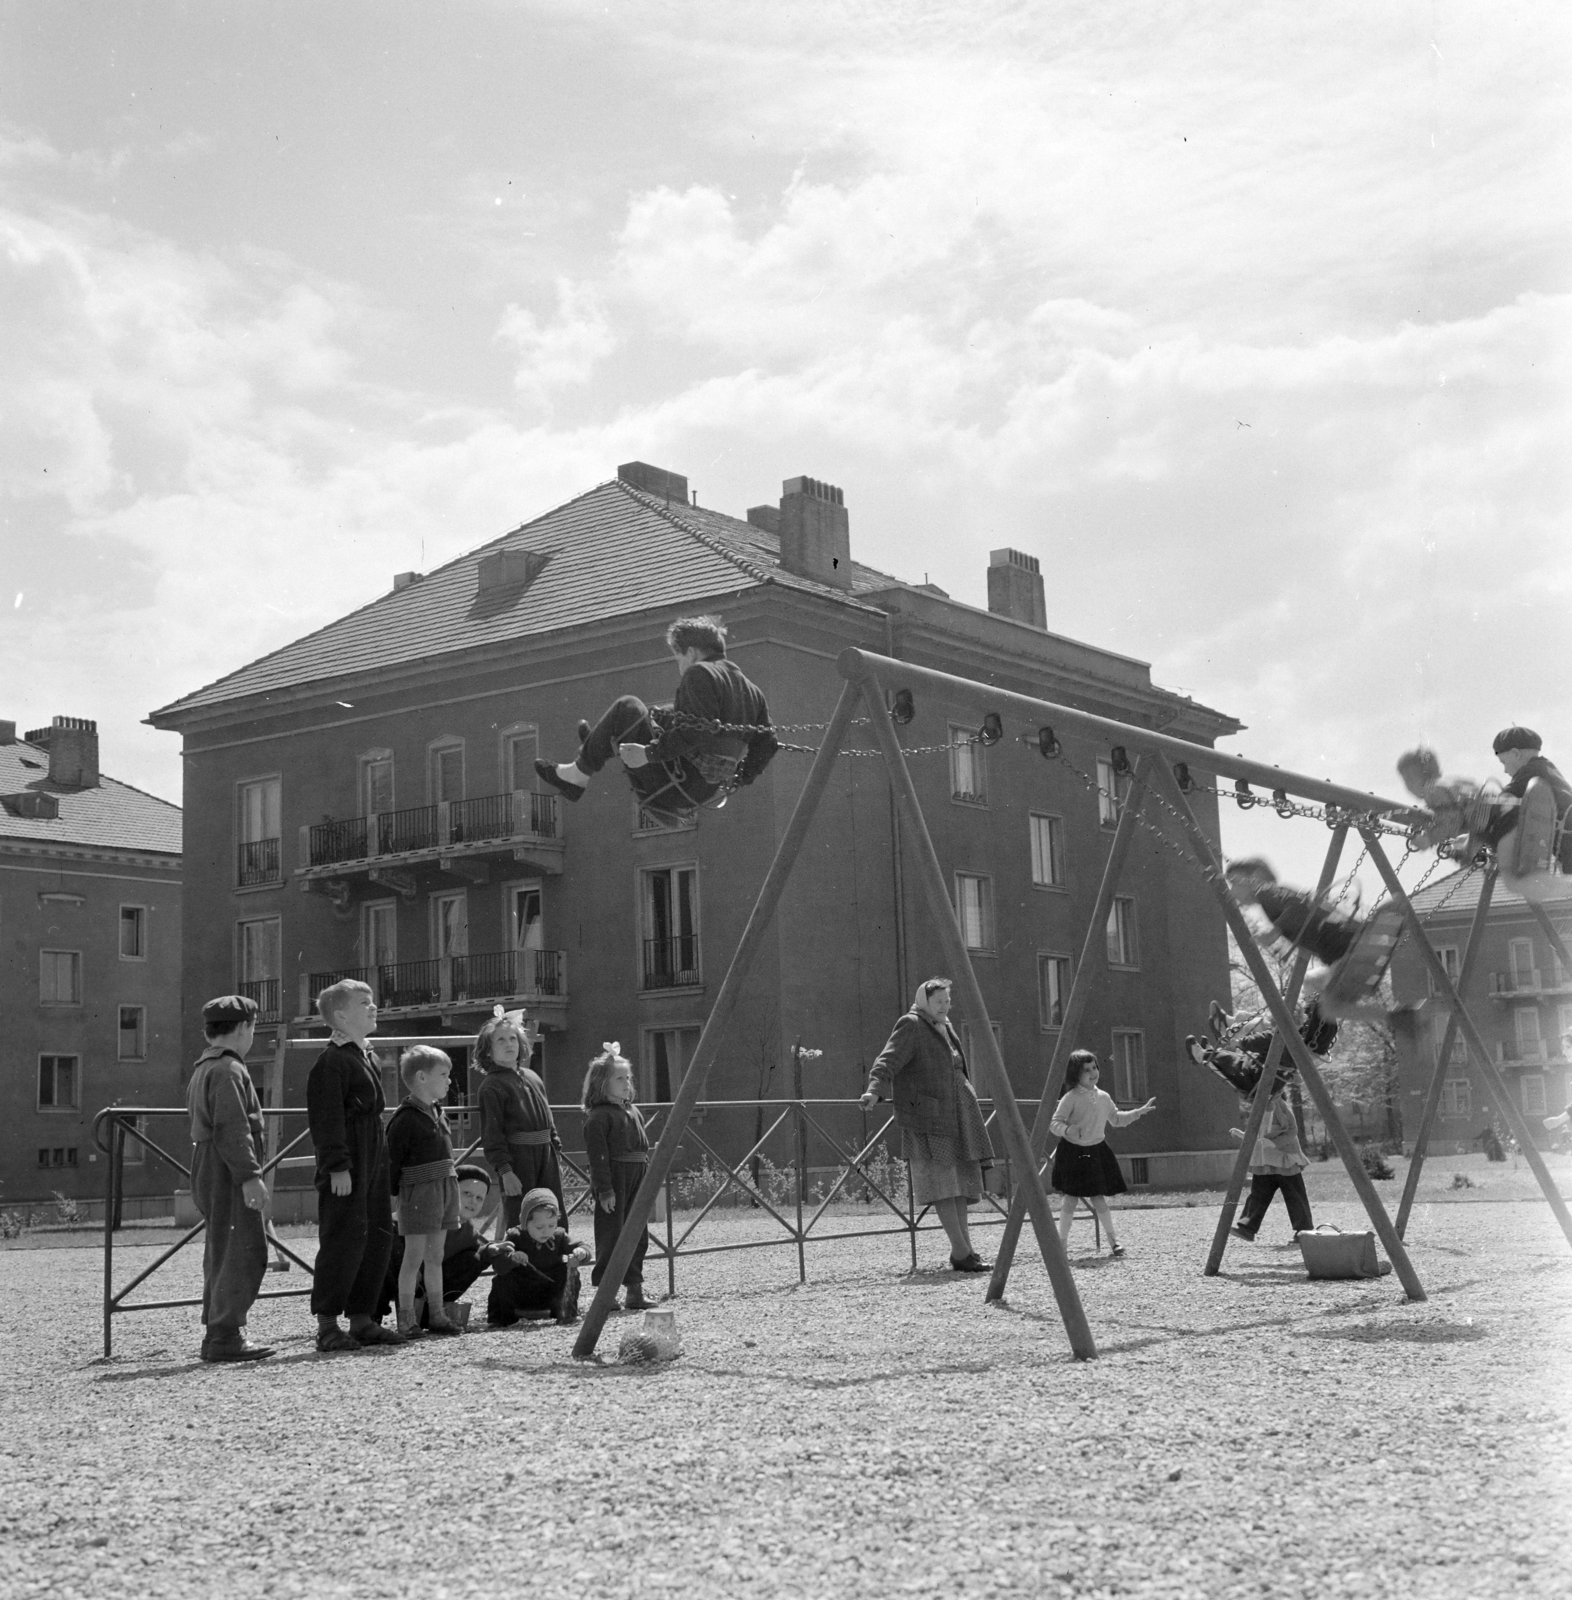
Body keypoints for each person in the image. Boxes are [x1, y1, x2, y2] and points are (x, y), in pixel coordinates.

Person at [535, 615, 778, 822]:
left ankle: (577, 774)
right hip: (704, 790)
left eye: (678, 657)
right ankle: (603, 743)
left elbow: (693, 733)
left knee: (628, 706)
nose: (679, 666)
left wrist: (648, 755)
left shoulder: (699, 673)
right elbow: (768, 744)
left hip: (678, 781)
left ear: (692, 653)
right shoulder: (751, 690)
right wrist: (740, 777)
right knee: (659, 713)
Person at [860, 979, 1003, 1273]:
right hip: (931, 1117)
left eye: (947, 1000)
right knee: (943, 1183)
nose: (944, 1006)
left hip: (959, 1113)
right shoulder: (911, 1024)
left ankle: (966, 1250)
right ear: (925, 1002)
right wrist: (875, 1090)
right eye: (938, 1001)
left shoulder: (946, 1027)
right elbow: (888, 1059)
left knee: (960, 1182)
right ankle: (961, 1251)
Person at [306, 979, 406, 1352]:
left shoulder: (368, 1056)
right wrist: (337, 1166)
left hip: (373, 1157)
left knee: (377, 1236)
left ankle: (363, 1318)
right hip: (348, 1160)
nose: (373, 1007)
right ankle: (328, 1324)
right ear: (340, 1015)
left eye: (373, 1001)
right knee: (343, 1239)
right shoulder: (331, 1063)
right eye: (364, 1003)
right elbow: (326, 1120)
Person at [186, 993, 273, 1363]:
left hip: (210, 1162)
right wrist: (250, 1176)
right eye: (252, 1027)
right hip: (227, 1165)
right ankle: (225, 1333)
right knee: (243, 1251)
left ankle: (219, 1331)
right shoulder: (229, 1069)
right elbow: (232, 1129)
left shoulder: (207, 1065)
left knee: (223, 1248)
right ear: (242, 1027)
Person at [1398, 728, 1572, 900]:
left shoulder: (1433, 790)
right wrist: (1466, 852)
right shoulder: (1456, 783)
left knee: (1518, 882)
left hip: (1506, 825)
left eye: (1406, 781)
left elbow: (1450, 819)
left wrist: (1428, 838)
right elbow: (1478, 819)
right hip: (1521, 821)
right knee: (1531, 878)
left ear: (1414, 779)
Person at [387, 1046, 465, 1338]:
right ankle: (406, 1319)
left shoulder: (438, 1111)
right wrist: (393, 1198)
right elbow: (392, 1163)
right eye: (443, 1075)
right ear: (421, 1077)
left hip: (445, 1187)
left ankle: (437, 1314)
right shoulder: (404, 1119)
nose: (448, 1081)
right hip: (418, 1192)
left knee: (436, 1255)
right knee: (414, 1257)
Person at [1047, 1051, 1155, 1258]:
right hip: (1073, 1153)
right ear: (1075, 1074)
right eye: (1086, 1070)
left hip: (1096, 1151)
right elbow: (1054, 1123)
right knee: (1070, 1199)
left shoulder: (1104, 1097)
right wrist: (1068, 1130)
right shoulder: (1070, 1098)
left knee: (1099, 1199)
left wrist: (1138, 1112)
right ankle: (1061, 1244)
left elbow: (1116, 1119)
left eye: (1094, 1067)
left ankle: (1113, 1240)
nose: (1092, 1072)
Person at [376, 1164, 512, 1329]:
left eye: (479, 1198)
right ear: (451, 1192)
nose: (472, 1201)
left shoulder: (468, 1231)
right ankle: (372, 1318)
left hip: (426, 1285)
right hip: (401, 1274)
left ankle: (430, 1314)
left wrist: (491, 1250)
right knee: (384, 1246)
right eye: (467, 1193)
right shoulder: (425, 1212)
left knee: (475, 1258)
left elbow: (479, 1249)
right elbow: (393, 1226)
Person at [474, 1008, 565, 1228]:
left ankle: (554, 1261)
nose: (509, 1044)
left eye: (513, 1038)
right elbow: (492, 1135)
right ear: (488, 1051)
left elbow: (548, 1121)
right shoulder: (492, 1086)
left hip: (546, 1158)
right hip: (519, 1161)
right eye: (501, 1040)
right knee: (523, 1217)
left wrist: (556, 1153)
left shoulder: (533, 1077)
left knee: (553, 1212)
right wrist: (505, 1171)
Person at [582, 1044, 653, 1310]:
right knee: (611, 1235)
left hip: (638, 1177)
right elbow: (598, 1158)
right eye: (619, 1078)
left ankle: (634, 1289)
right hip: (615, 1180)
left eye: (628, 1078)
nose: (626, 1083)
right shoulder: (599, 1117)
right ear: (602, 1083)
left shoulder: (633, 1111)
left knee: (638, 1234)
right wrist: (605, 1190)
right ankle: (606, 1293)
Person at [486, 1188, 592, 1327]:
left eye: (551, 1225)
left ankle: (566, 1314)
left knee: (568, 1271)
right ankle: (500, 1319)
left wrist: (582, 1252)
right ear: (525, 1223)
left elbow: (583, 1246)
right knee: (502, 1279)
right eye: (539, 1227)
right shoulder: (515, 1236)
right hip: (521, 1294)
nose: (546, 1231)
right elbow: (498, 1265)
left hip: (549, 1293)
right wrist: (512, 1258)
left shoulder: (559, 1237)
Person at [1228, 1084, 1314, 1242]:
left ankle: (1304, 1231)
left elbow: (1292, 1131)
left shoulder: (1281, 1106)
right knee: (1258, 1194)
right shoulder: (1259, 1109)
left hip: (1285, 1159)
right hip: (1265, 1161)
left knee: (1294, 1195)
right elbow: (1258, 1132)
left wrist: (1274, 1143)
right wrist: (1243, 1135)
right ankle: (1247, 1227)